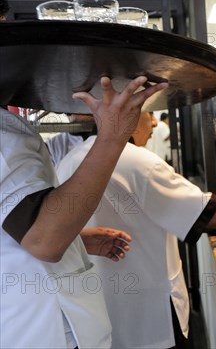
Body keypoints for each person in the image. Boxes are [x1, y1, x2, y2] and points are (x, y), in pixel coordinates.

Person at [55, 111, 216, 349]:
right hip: (150, 316)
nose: (152, 121)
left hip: (98, 320)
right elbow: (206, 213)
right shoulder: (135, 160)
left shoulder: (68, 162)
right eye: (146, 111)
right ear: (125, 111)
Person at [1, 76, 167, 348]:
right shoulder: (3, 136)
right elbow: (44, 241)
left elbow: (20, 228)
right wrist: (113, 136)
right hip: (42, 333)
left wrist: (74, 240)